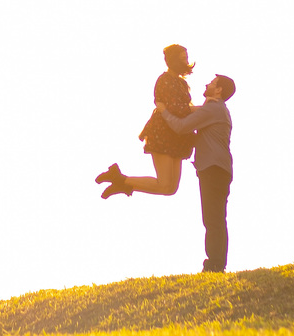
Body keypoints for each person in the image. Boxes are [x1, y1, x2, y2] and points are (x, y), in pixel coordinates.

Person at [94, 44, 195, 199]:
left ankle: (123, 184)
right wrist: (207, 110)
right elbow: (176, 108)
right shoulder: (164, 80)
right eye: (183, 58)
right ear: (174, 60)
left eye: (186, 58)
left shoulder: (181, 83)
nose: (186, 61)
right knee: (164, 184)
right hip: (163, 134)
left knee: (170, 189)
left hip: (178, 137)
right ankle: (118, 178)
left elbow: (184, 109)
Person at [158, 74, 235, 273]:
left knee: (213, 219)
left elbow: (182, 127)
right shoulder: (216, 109)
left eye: (212, 83)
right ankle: (217, 263)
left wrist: (164, 111)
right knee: (216, 218)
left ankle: (215, 264)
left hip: (213, 168)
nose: (207, 83)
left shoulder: (214, 109)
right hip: (217, 168)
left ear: (218, 90)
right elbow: (193, 115)